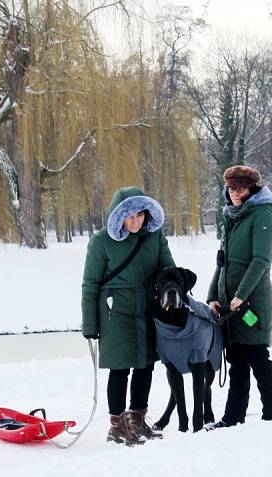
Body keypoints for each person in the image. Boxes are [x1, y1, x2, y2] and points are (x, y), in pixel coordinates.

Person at [81, 186, 175, 446]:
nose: (135, 221)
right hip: (115, 310)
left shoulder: (154, 237)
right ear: (118, 216)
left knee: (145, 364)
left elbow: (168, 269)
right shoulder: (101, 241)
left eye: (140, 215)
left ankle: (137, 418)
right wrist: (90, 323)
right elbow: (90, 283)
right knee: (120, 367)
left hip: (146, 306)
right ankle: (117, 426)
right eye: (129, 216)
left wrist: (172, 293)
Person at [207, 165, 272, 427]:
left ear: (252, 190)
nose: (236, 194)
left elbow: (261, 260)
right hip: (230, 303)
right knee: (236, 359)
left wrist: (241, 295)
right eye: (231, 189)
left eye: (241, 189)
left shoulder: (262, 214)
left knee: (257, 356)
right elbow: (222, 262)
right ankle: (233, 417)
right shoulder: (231, 215)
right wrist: (212, 296)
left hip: (252, 303)